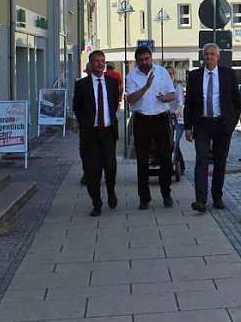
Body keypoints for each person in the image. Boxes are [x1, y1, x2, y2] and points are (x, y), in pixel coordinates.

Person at [183, 43, 241, 212]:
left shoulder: (228, 74)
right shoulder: (195, 76)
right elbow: (189, 104)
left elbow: (236, 101)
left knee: (220, 162)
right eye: (206, 54)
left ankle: (217, 197)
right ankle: (201, 200)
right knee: (201, 160)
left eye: (212, 54)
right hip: (202, 124)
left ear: (218, 56)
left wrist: (232, 122)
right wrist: (188, 127)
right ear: (202, 56)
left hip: (222, 124)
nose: (208, 57)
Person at [125, 45, 176, 210]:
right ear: (136, 61)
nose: (144, 63)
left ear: (151, 57)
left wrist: (165, 97)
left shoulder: (162, 72)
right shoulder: (131, 76)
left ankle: (166, 193)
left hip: (161, 119)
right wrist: (146, 87)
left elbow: (172, 94)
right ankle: (144, 197)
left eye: (146, 59)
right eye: (140, 60)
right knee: (142, 161)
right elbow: (131, 99)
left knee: (165, 158)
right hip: (142, 120)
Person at [72, 50, 121, 217]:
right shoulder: (82, 85)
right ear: (90, 64)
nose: (100, 64)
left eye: (102, 61)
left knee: (110, 165)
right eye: (97, 61)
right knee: (93, 169)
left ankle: (111, 191)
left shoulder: (112, 83)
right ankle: (96, 202)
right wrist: (81, 122)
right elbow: (77, 107)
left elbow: (114, 104)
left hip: (107, 130)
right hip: (90, 133)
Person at [166, 66, 185, 175]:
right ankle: (179, 164)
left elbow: (180, 102)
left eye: (171, 74)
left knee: (175, 143)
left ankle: (179, 166)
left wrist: (177, 111)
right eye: (167, 74)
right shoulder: (163, 88)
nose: (169, 76)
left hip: (178, 120)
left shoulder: (177, 87)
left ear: (174, 75)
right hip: (166, 118)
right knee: (170, 143)